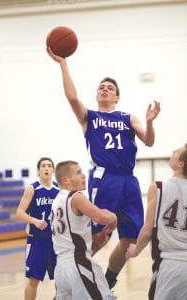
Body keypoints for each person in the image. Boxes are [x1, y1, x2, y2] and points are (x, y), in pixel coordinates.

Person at [46, 48, 160, 288]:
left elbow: (149, 141)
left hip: (128, 179)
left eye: (110, 88)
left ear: (117, 97)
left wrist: (149, 123)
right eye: (101, 87)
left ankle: (108, 280)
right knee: (96, 235)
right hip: (104, 177)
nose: (105, 89)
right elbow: (72, 98)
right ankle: (70, 277)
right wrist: (63, 64)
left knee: (131, 236)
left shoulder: (128, 118)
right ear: (97, 96)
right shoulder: (90, 116)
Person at [126, 143, 187, 300]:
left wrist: (135, 251)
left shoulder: (159, 187)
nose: (173, 151)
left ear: (181, 164)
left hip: (169, 264)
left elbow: (147, 230)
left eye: (177, 151)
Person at [50, 160, 117, 299]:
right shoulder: (76, 196)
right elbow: (101, 217)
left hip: (61, 269)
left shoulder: (56, 202)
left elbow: (70, 240)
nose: (84, 176)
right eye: (78, 172)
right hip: (79, 265)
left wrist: (94, 241)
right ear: (66, 180)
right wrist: (114, 216)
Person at [16, 157, 59, 300]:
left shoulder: (58, 190)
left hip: (55, 241)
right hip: (37, 241)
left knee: (61, 279)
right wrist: (34, 221)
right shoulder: (32, 188)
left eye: (49, 166)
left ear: (53, 170)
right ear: (38, 170)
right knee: (34, 280)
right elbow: (20, 212)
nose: (46, 168)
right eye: (43, 166)